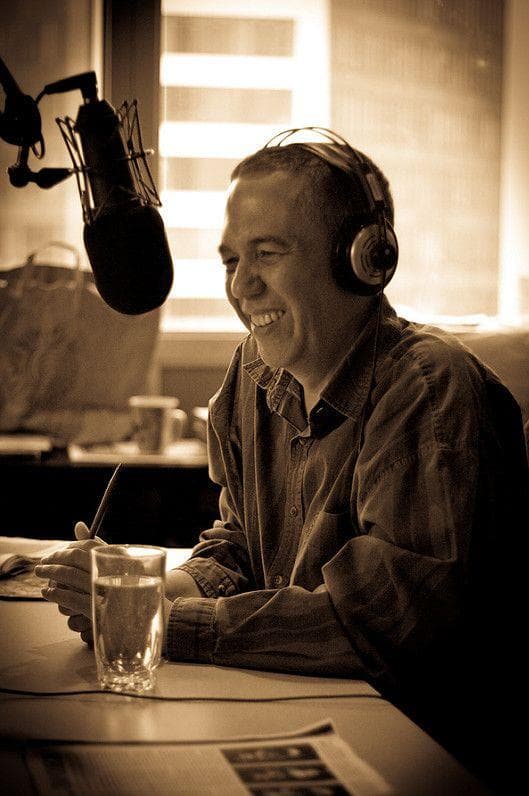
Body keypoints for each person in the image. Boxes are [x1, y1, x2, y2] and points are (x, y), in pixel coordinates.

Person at [36, 129, 528, 793]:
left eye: (267, 253)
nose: (242, 285)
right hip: (301, 713)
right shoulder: (255, 371)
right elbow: (239, 546)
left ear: (362, 258)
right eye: (231, 260)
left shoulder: (428, 387)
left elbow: (381, 626)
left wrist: (158, 624)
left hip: (425, 757)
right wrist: (140, 588)